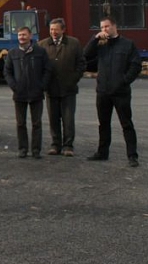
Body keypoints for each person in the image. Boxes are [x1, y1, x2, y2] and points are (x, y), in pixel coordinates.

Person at [84, 16, 142, 167]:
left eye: (107, 26)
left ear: (115, 26)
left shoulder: (127, 44)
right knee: (103, 124)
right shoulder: (101, 44)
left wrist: (124, 81)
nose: (104, 30)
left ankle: (132, 156)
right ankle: (102, 152)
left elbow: (135, 65)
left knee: (126, 124)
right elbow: (85, 55)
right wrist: (95, 39)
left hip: (121, 92)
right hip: (103, 91)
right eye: (102, 27)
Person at [38, 18, 85, 156]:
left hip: (68, 89)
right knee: (53, 119)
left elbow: (81, 64)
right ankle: (55, 145)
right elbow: (39, 66)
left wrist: (73, 79)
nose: (53, 32)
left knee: (68, 119)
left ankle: (68, 146)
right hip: (51, 89)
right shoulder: (42, 45)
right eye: (51, 29)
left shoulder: (74, 43)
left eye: (56, 29)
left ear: (63, 30)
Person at [4, 26, 52, 158]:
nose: (22, 37)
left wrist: (42, 86)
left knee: (37, 123)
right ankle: (23, 149)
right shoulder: (12, 53)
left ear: (30, 36)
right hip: (19, 94)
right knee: (21, 123)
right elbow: (7, 72)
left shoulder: (40, 52)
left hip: (36, 93)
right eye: (19, 35)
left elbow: (47, 70)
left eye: (24, 35)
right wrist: (14, 86)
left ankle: (36, 150)